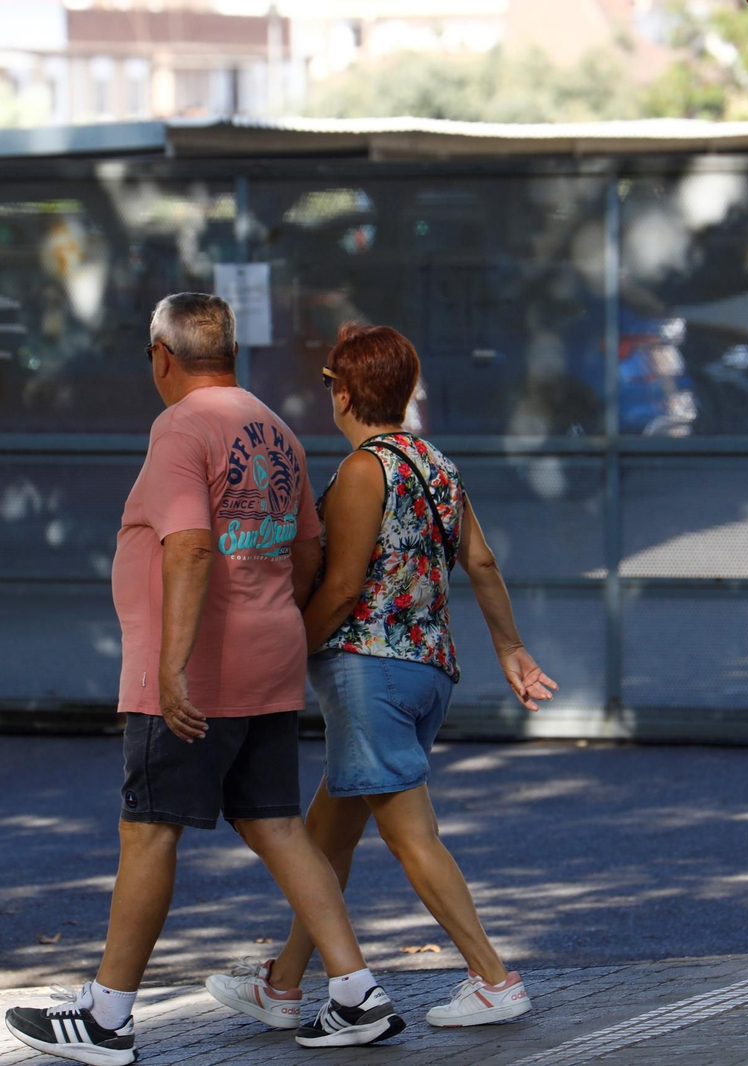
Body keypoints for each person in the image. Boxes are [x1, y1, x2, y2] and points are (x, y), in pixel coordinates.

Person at [5, 295, 408, 1066]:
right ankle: (356, 993)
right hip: (269, 656)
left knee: (148, 830)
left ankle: (109, 1018)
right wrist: (267, 615)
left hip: (196, 670)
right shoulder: (275, 428)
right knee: (276, 823)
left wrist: (172, 661)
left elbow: (189, 547)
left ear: (161, 356)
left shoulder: (180, 428)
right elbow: (307, 553)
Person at [205, 323, 558, 1031]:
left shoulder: (366, 470)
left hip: (371, 672)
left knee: (411, 835)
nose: (327, 392)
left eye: (330, 381)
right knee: (327, 838)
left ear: (343, 391)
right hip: (426, 672)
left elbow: (339, 590)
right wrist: (512, 648)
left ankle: (493, 978)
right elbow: (481, 563)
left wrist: (283, 654)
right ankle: (282, 985)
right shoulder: (436, 464)